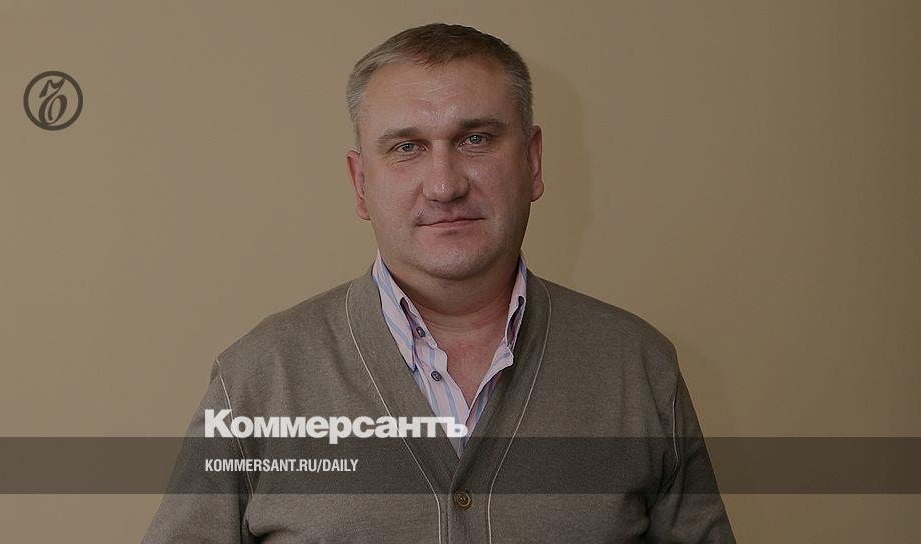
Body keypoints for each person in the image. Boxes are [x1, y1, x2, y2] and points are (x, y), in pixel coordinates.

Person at [143, 23, 735, 543]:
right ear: (360, 183)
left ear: (532, 161)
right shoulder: (258, 380)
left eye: (476, 139)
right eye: (407, 148)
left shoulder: (638, 367)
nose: (445, 184)